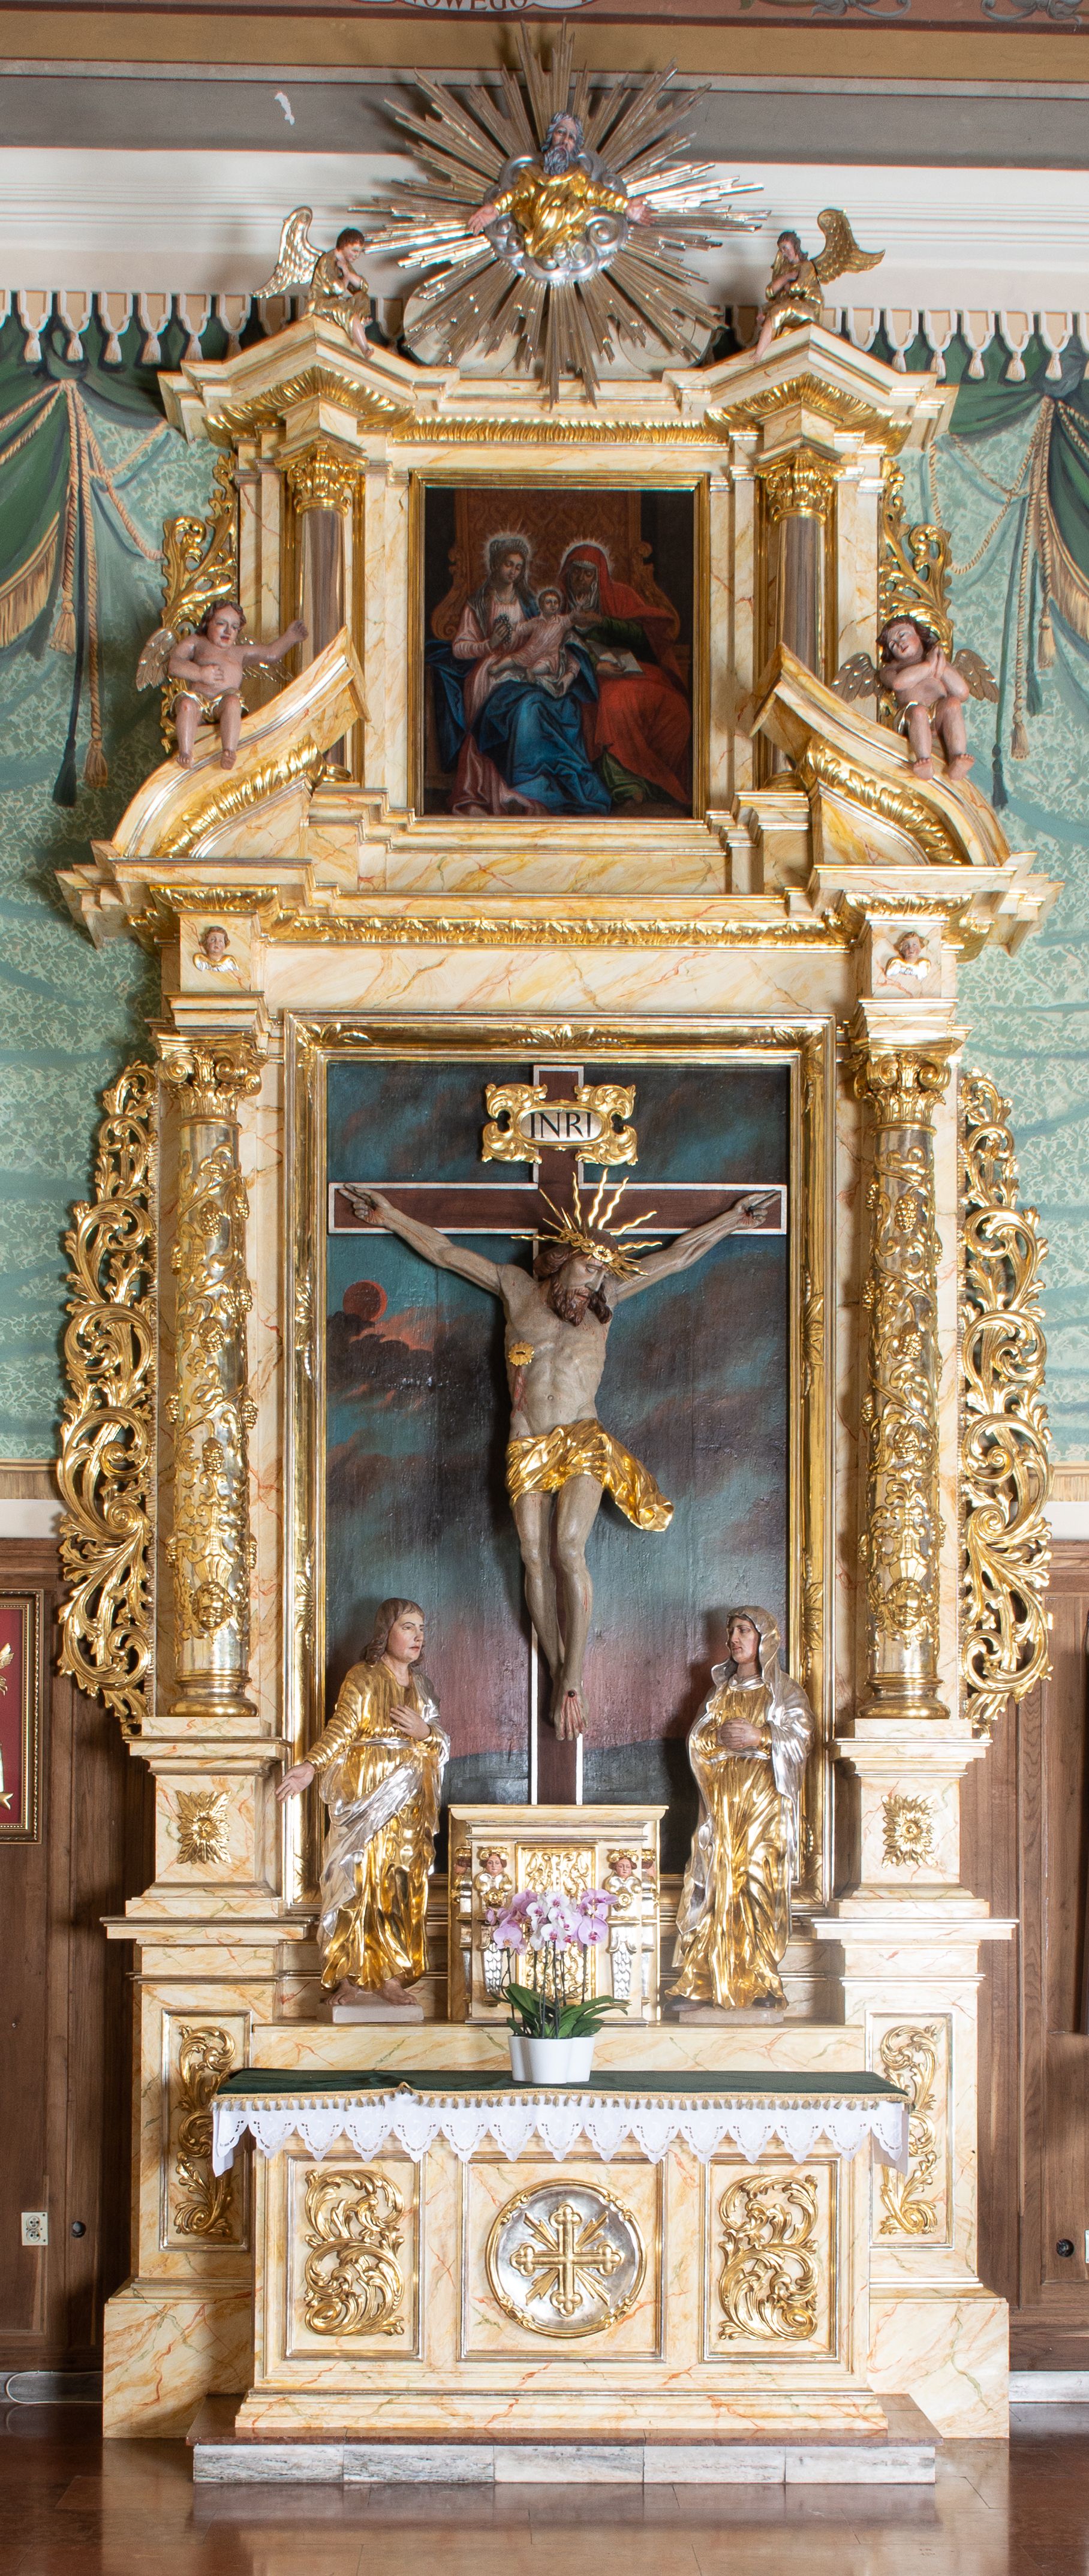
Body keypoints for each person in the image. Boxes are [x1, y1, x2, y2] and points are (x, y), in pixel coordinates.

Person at [344, 1181, 775, 1741]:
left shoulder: (606, 1302)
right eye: (588, 1268)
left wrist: (733, 1220)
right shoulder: (516, 1288)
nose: (594, 1281)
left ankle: (573, 1676)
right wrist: (391, 1218)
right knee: (531, 1555)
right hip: (527, 1439)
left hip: (582, 1436)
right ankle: (558, 1671)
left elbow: (676, 1258)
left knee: (568, 1549)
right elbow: (447, 1253)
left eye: (601, 1273)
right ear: (563, 1258)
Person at [276, 1599, 449, 2009]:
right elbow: (341, 1729)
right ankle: (349, 1976)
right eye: (408, 1627)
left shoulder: (423, 1687)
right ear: (385, 1632)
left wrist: (426, 1733)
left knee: (398, 1884)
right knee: (356, 1880)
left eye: (422, 1628)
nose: (418, 1637)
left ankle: (390, 1976)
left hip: (409, 1802)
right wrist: (311, 1766)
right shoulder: (363, 1677)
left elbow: (440, 1743)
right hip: (365, 1795)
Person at [673, 1606, 813, 2011]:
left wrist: (762, 1736)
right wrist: (717, 1740)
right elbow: (698, 1742)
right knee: (716, 1886)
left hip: (765, 1805)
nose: (733, 1639)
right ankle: (701, 1981)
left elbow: (802, 1739)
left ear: (764, 1639)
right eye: (731, 1631)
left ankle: (764, 1980)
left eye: (743, 1631)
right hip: (723, 1804)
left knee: (758, 1884)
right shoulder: (720, 1693)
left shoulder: (784, 1692)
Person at [428, 534, 609, 817]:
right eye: (508, 565)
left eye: (518, 567)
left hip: (522, 670)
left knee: (538, 710)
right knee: (499, 719)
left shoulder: (528, 602)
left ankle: (524, 790)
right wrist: (489, 644)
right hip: (489, 673)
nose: (513, 572)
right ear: (495, 565)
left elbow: (547, 636)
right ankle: (487, 795)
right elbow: (460, 648)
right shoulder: (478, 603)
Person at [559, 541, 691, 808]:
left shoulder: (620, 595)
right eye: (577, 573)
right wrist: (593, 665)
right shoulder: (557, 603)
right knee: (615, 701)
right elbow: (552, 646)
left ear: (599, 576)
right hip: (586, 676)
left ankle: (656, 783)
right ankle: (627, 786)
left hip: (630, 670)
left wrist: (601, 621)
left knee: (675, 707)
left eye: (588, 574)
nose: (582, 580)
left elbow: (645, 638)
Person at [166, 601, 306, 770]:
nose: (228, 631)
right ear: (207, 623)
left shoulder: (240, 652)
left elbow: (271, 654)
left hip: (223, 702)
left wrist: (290, 637)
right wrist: (200, 673)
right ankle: (186, 753)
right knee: (186, 705)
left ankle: (229, 752)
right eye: (221, 624)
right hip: (199, 701)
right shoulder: (197, 643)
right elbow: (174, 664)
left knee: (233, 703)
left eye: (234, 627)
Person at [878, 616, 973, 780]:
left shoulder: (939, 662)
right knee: (919, 711)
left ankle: (957, 759)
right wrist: (930, 667)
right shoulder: (891, 669)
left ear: (919, 634)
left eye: (902, 635)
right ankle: (924, 760)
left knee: (953, 703)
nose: (899, 643)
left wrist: (941, 667)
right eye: (892, 644)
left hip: (938, 714)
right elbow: (899, 683)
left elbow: (962, 692)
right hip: (910, 716)